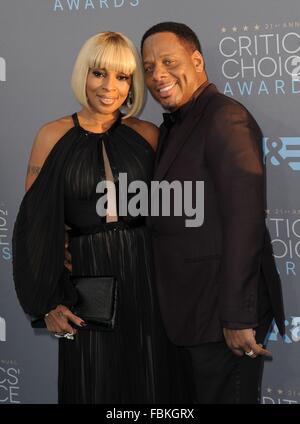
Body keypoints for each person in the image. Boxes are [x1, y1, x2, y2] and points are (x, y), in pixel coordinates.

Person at [12, 31, 182, 403]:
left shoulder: (148, 135)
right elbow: (35, 231)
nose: (110, 87)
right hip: (87, 285)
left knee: (153, 385)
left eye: (122, 77)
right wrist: (48, 301)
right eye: (99, 73)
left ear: (132, 84)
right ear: (82, 76)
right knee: (92, 383)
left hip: (149, 280)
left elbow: (171, 216)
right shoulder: (51, 135)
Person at [141, 22, 285, 404]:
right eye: (149, 67)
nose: (158, 75)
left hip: (221, 320)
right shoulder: (174, 124)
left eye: (168, 61)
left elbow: (245, 221)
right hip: (188, 315)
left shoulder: (224, 117)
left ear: (197, 59)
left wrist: (238, 317)